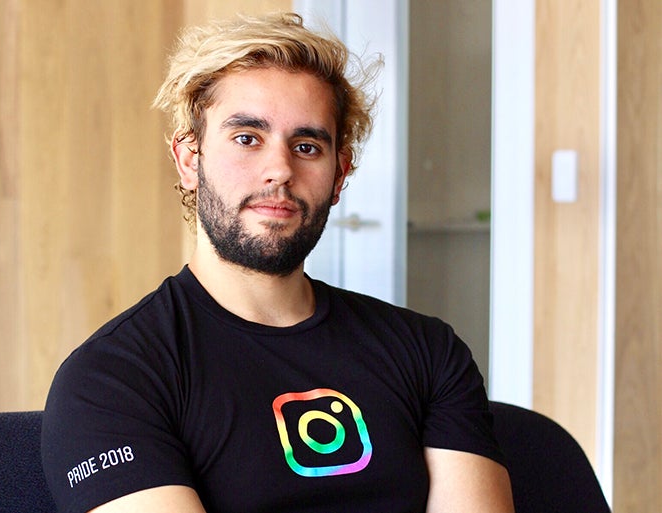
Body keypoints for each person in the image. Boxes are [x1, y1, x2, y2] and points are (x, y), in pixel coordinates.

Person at [41, 12, 514, 513]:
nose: (280, 170)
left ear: (339, 176)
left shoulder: (429, 351)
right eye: (247, 138)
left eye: (307, 146)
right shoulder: (111, 379)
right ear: (188, 159)